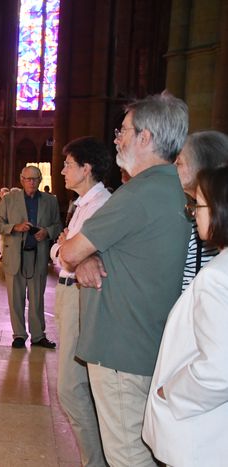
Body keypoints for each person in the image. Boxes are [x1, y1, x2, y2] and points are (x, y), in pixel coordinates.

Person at [60, 92, 190, 466]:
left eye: (124, 131)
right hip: (149, 341)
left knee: (127, 455)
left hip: (121, 348)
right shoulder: (174, 189)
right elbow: (131, 248)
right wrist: (94, 253)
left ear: (146, 138)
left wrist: (82, 252)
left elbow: (69, 252)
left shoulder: (137, 193)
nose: (117, 138)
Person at [143, 166, 228, 466]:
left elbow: (219, 368)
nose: (193, 212)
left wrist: (172, 391)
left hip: (201, 434)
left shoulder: (217, 277)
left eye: (198, 204)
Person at [50, 137, 111, 467]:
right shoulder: (81, 203)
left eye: (68, 165)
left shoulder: (102, 204)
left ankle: (95, 462)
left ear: (86, 169)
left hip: (80, 296)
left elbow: (71, 254)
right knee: (75, 386)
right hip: (67, 292)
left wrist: (66, 250)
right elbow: (60, 253)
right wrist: (65, 249)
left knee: (70, 390)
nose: (62, 171)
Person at [0, 165, 62, 349]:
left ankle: (38, 336)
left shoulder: (50, 201)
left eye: (35, 179)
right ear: (21, 179)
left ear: (40, 181)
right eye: (28, 179)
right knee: (15, 298)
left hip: (37, 256)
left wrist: (46, 232)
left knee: (37, 298)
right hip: (15, 254)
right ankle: (19, 335)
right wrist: (14, 227)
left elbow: (58, 225)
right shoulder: (9, 199)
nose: (32, 182)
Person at [174, 130, 228, 289]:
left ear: (202, 167)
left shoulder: (213, 219)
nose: (173, 168)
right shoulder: (194, 209)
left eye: (180, 163)